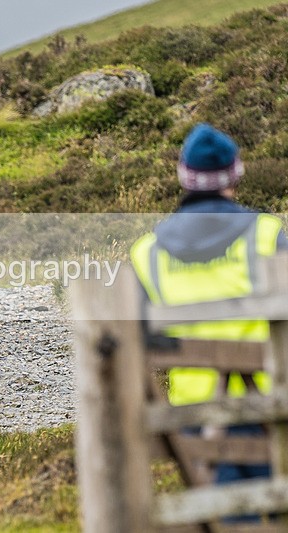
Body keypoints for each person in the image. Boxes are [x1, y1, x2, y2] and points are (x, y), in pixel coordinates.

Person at [131, 123, 288, 523]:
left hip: (194, 420)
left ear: (184, 176)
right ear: (235, 175)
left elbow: (144, 337)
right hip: (271, 408)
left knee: (231, 519)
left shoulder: (147, 253)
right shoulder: (269, 236)